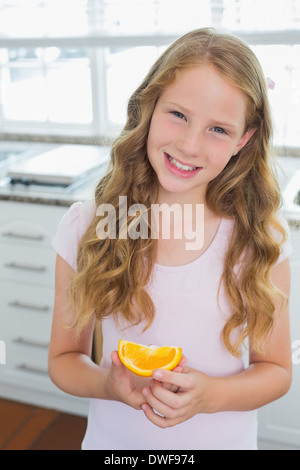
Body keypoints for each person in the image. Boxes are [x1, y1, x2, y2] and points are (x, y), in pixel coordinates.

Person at [48, 28, 293, 450]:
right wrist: (107, 384)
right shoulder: (89, 226)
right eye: (177, 115)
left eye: (218, 129)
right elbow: (63, 360)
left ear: (244, 140)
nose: (189, 145)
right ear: (149, 106)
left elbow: (277, 371)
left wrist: (211, 396)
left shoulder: (260, 238)